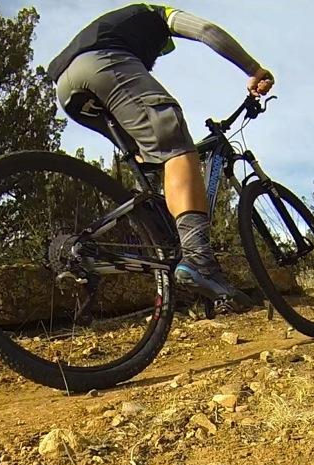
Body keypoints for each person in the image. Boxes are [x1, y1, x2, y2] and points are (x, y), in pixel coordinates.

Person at [48, 4, 274, 313]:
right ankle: (198, 260)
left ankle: (162, 253)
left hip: (67, 90)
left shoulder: (118, 27)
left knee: (150, 163)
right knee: (175, 142)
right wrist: (254, 69)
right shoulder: (157, 13)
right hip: (104, 64)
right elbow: (208, 32)